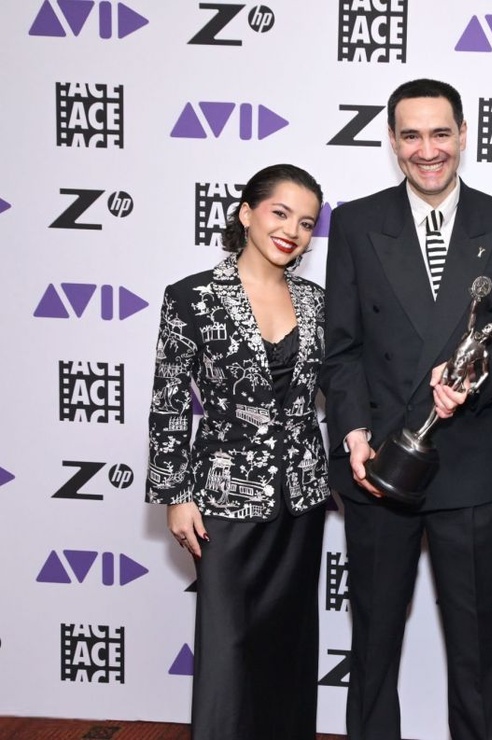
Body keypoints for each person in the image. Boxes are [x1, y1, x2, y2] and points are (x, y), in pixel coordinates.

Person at [321, 78, 492, 740]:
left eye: (440, 133)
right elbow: (342, 346)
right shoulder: (356, 223)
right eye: (411, 135)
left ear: (463, 135)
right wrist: (354, 434)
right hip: (377, 466)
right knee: (373, 643)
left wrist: (474, 376)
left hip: (469, 463)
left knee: (476, 648)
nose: (427, 149)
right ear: (392, 141)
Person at [146, 163, 330, 739]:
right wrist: (175, 495)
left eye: (306, 223)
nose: (292, 231)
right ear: (247, 213)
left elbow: (350, 383)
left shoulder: (317, 302)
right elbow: (169, 403)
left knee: (288, 645)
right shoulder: (192, 297)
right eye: (280, 213)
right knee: (227, 646)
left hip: (300, 500)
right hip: (221, 501)